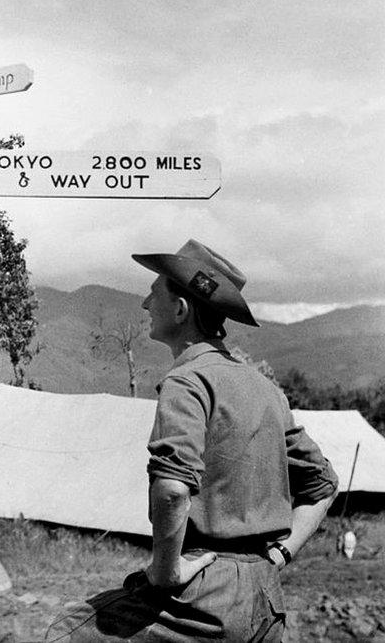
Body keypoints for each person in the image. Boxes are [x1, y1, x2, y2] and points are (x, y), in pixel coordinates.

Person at [47, 239, 338, 642]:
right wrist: (279, 555)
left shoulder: (187, 381)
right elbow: (324, 485)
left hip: (202, 594)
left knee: (64, 632)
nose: (145, 305)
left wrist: (167, 572)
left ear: (181, 310)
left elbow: (171, 492)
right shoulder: (265, 388)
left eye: (154, 292)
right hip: (265, 596)